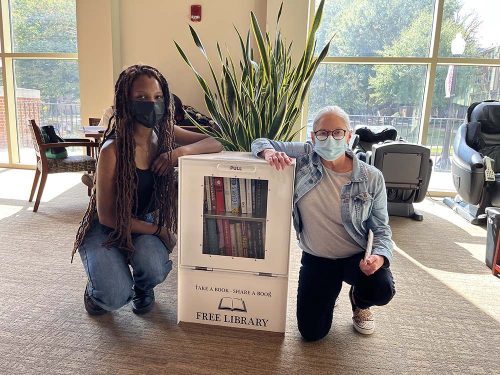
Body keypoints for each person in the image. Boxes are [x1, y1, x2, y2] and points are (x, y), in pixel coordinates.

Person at [72, 64, 223, 316]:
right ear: (126, 102)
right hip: (106, 227)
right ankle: (95, 293)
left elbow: (219, 139)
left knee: (153, 266)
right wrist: (160, 230)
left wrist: (179, 152)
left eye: (157, 97)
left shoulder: (163, 134)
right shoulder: (113, 150)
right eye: (141, 98)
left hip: (141, 220)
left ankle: (142, 287)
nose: (151, 104)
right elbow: (109, 216)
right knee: (113, 296)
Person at [251, 106, 395, 340]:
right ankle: (328, 295)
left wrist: (379, 257)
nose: (330, 139)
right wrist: (268, 153)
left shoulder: (371, 177)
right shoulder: (305, 156)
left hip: (355, 258)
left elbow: (381, 228)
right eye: (323, 133)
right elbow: (259, 141)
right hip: (318, 259)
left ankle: (359, 301)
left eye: (338, 133)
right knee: (312, 333)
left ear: (348, 136)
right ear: (313, 136)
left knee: (381, 288)